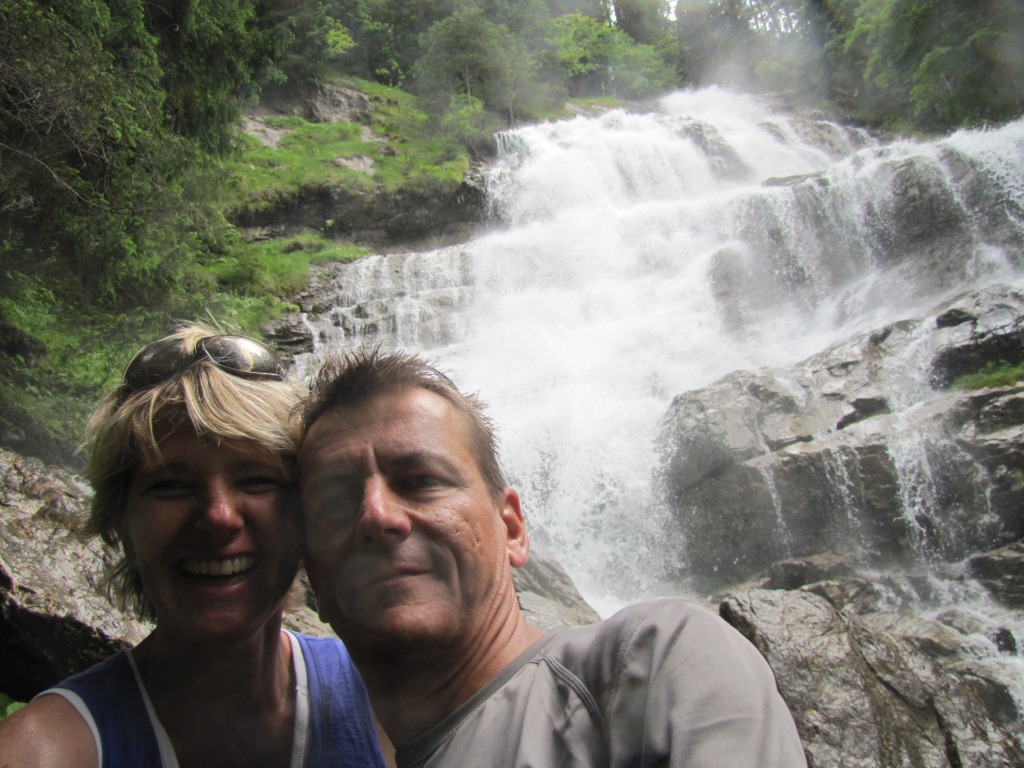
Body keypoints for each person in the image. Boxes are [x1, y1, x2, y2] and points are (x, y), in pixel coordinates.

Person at [298, 348, 808, 768]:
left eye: (420, 481)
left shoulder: (652, 663)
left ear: (512, 529)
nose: (376, 515)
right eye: (336, 503)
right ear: (311, 576)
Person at [0, 325, 387, 768]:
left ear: (306, 511)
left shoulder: (390, 698)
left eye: (256, 479)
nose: (219, 516)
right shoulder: (39, 752)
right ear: (120, 522)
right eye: (171, 485)